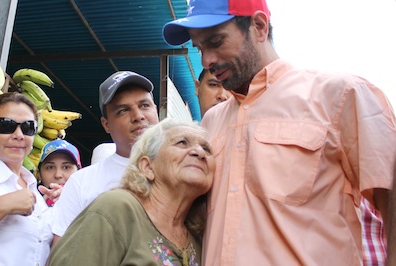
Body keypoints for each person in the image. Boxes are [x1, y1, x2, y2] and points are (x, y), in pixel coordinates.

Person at [162, 0, 396, 265]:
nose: (207, 60)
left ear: (259, 27)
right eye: (200, 48)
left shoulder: (340, 96)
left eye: (215, 42)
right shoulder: (210, 123)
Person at [48, 118, 215, 265]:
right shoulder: (116, 208)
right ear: (148, 166)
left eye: (207, 149)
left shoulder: (199, 238)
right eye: (182, 143)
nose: (199, 153)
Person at [51, 71, 159, 245]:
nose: (138, 116)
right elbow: (60, 253)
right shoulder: (82, 183)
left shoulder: (183, 168)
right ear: (106, 124)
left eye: (145, 105)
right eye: (123, 110)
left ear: (156, 110)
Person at [0, 92, 53, 265]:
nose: (19, 135)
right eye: (6, 125)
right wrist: (2, 206)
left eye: (28, 127)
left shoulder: (33, 187)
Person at [37, 139, 82, 207]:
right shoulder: (29, 206)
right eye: (50, 167)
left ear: (79, 172)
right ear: (39, 174)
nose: (58, 175)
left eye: (66, 167)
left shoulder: (91, 202)